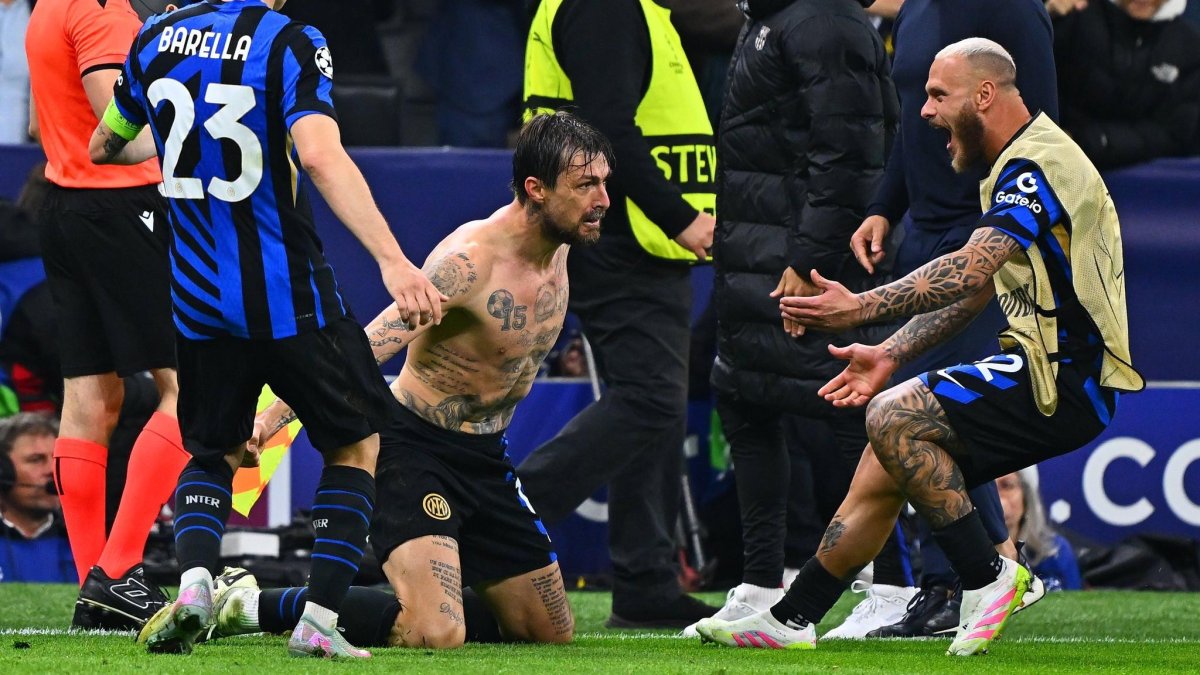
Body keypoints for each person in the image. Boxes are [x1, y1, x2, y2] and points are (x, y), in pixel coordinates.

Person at [694, 38, 1143, 656]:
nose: (925, 112)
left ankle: (989, 577)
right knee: (880, 463)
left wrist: (861, 307)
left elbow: (964, 269)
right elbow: (979, 286)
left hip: (1062, 381)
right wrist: (891, 353)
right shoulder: (1018, 164)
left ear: (984, 95)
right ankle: (790, 620)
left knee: (893, 417)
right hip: (1046, 369)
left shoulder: (1037, 166)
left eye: (937, 95)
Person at [88, 0, 443, 659]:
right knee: (356, 442)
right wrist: (394, 260)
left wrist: (174, 143)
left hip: (197, 299)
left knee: (212, 450)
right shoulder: (288, 41)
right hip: (289, 298)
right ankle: (317, 621)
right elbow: (319, 155)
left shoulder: (154, 37)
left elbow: (105, 145)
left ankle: (194, 580)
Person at [192, 111, 609, 651]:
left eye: (603, 182)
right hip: (412, 449)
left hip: (486, 458)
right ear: (536, 189)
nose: (601, 199)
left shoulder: (563, 241)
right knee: (434, 633)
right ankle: (250, 603)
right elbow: (366, 348)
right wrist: (273, 419)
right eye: (585, 186)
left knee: (547, 632)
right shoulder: (471, 262)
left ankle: (418, 597)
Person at [698, 0, 917, 640]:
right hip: (752, 254)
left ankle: (892, 585)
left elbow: (851, 149)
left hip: (807, 262)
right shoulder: (767, 18)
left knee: (854, 409)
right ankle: (763, 583)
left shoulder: (827, 20)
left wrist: (809, 255)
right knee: (743, 397)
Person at [847, 0, 1062, 639]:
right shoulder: (916, 12)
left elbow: (1043, 132)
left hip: (980, 239)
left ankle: (961, 582)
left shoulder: (1014, 10)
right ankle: (982, 573)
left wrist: (999, 236)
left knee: (936, 416)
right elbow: (917, 125)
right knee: (921, 411)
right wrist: (886, 204)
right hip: (924, 233)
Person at [519, 0, 718, 628]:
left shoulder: (637, 10)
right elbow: (606, 130)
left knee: (656, 405)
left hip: (634, 236)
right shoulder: (605, 8)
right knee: (652, 400)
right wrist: (679, 215)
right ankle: (496, 514)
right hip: (623, 232)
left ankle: (647, 582)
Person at [25, 0, 193, 630]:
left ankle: (95, 586)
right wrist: (193, 138)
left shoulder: (50, 7)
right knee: (189, 388)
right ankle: (117, 571)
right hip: (124, 210)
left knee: (90, 397)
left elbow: (54, 128)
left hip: (66, 206)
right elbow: (111, 126)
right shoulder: (103, 11)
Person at [1051, 0, 1200, 169]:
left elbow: (1175, 133)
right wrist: (1048, 18)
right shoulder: (1075, 19)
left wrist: (1092, 141)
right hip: (1057, 165)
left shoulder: (1190, 48)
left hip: (1141, 185)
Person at [0, 413, 75, 583]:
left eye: (57, 459)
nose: (52, 470)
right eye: (36, 460)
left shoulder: (84, 540)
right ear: (3, 471)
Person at [996, 469, 1082, 592]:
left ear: (1026, 497)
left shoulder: (1054, 551)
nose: (997, 499)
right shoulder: (963, 556)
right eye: (986, 490)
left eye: (1007, 486)